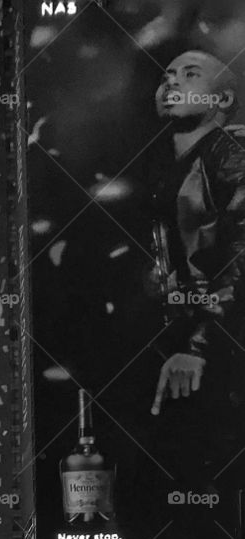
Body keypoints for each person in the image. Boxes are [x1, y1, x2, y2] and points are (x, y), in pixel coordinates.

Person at [149, 49, 245, 460]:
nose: (172, 82)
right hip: (180, 342)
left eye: (190, 75)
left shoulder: (230, 154)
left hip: (215, 350)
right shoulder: (166, 164)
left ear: (221, 100)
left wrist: (200, 344)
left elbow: (241, 251)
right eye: (168, 75)